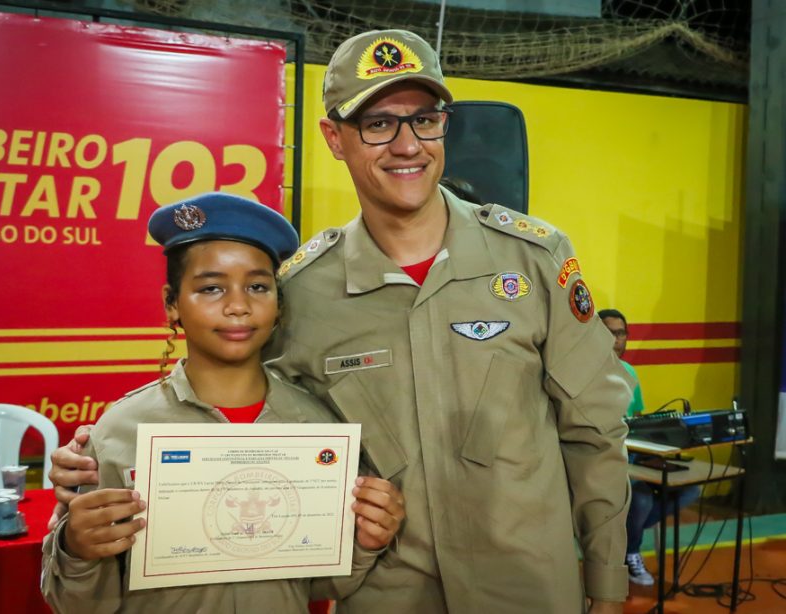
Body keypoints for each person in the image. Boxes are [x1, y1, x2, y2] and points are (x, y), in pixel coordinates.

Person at [50, 30, 633, 613]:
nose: (407, 145)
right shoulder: (303, 291)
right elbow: (239, 421)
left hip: (526, 591)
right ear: (333, 137)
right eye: (378, 123)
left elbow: (594, 433)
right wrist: (104, 459)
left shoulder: (533, 258)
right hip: (385, 594)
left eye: (424, 119)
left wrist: (608, 587)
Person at [40, 193, 405, 613]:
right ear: (171, 304)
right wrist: (78, 550)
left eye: (257, 286)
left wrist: (366, 540)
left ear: (279, 305)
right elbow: (76, 603)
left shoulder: (317, 427)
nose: (237, 306)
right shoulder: (119, 431)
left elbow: (322, 583)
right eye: (211, 288)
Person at [598, 308, 700, 586]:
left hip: (635, 453)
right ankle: (630, 552)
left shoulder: (630, 372)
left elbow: (639, 422)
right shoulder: (585, 374)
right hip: (602, 458)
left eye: (621, 333)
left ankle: (624, 540)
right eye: (609, 333)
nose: (617, 339)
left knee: (691, 489)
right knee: (641, 498)